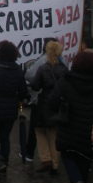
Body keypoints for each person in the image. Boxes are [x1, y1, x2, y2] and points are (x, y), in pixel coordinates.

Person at [48, 51, 93, 183]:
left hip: (68, 127)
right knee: (86, 157)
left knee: (67, 153)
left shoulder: (66, 81)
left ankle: (77, 180)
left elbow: (52, 101)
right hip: (91, 129)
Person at [0, 40, 29, 176]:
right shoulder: (17, 69)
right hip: (11, 109)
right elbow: (23, 91)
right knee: (5, 137)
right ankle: (5, 162)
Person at [30, 40, 68, 174]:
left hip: (44, 103)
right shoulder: (64, 69)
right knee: (54, 133)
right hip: (58, 105)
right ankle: (55, 164)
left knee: (39, 130)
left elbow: (35, 85)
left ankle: (46, 159)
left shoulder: (43, 68)